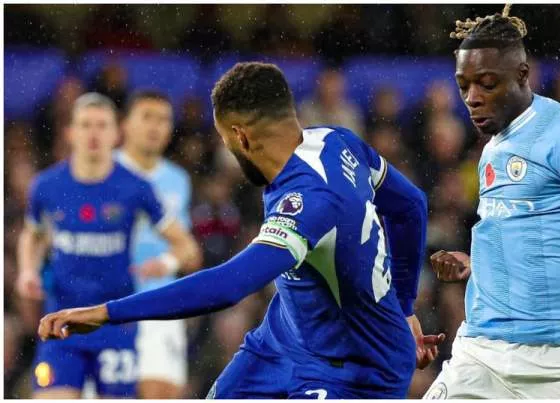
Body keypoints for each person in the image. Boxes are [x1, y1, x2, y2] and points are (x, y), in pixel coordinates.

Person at [37, 62, 444, 398]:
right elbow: (411, 205)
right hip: (283, 338)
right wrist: (405, 306)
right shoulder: (335, 140)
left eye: (223, 140)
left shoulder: (309, 203)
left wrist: (107, 312)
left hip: (355, 367)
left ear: (240, 136)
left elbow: (229, 285)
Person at [423, 4, 560, 399]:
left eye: (487, 84)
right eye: (464, 85)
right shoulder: (493, 145)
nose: (472, 98)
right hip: (482, 351)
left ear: (523, 75)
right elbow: (529, 229)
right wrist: (479, 267)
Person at [16, 93, 201, 399]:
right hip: (62, 323)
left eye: (102, 126)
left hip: (115, 323)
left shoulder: (136, 188)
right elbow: (32, 233)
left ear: (116, 133)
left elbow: (185, 245)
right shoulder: (46, 186)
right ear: (70, 132)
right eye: (85, 125)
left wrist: (166, 263)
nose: (93, 133)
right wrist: (27, 271)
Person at [116, 90, 202, 398]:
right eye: (147, 117)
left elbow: (190, 251)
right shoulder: (104, 170)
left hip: (160, 303)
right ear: (125, 124)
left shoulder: (177, 180)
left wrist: (167, 264)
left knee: (162, 394)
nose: (155, 127)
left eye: (163, 119)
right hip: (110, 302)